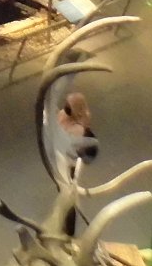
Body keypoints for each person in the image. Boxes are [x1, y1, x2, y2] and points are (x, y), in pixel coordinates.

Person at [55, 92, 99, 235]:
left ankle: (69, 231)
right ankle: (62, 221)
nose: (66, 107)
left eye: (70, 105)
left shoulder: (79, 128)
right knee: (62, 192)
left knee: (70, 196)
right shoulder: (63, 114)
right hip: (60, 160)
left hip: (70, 164)